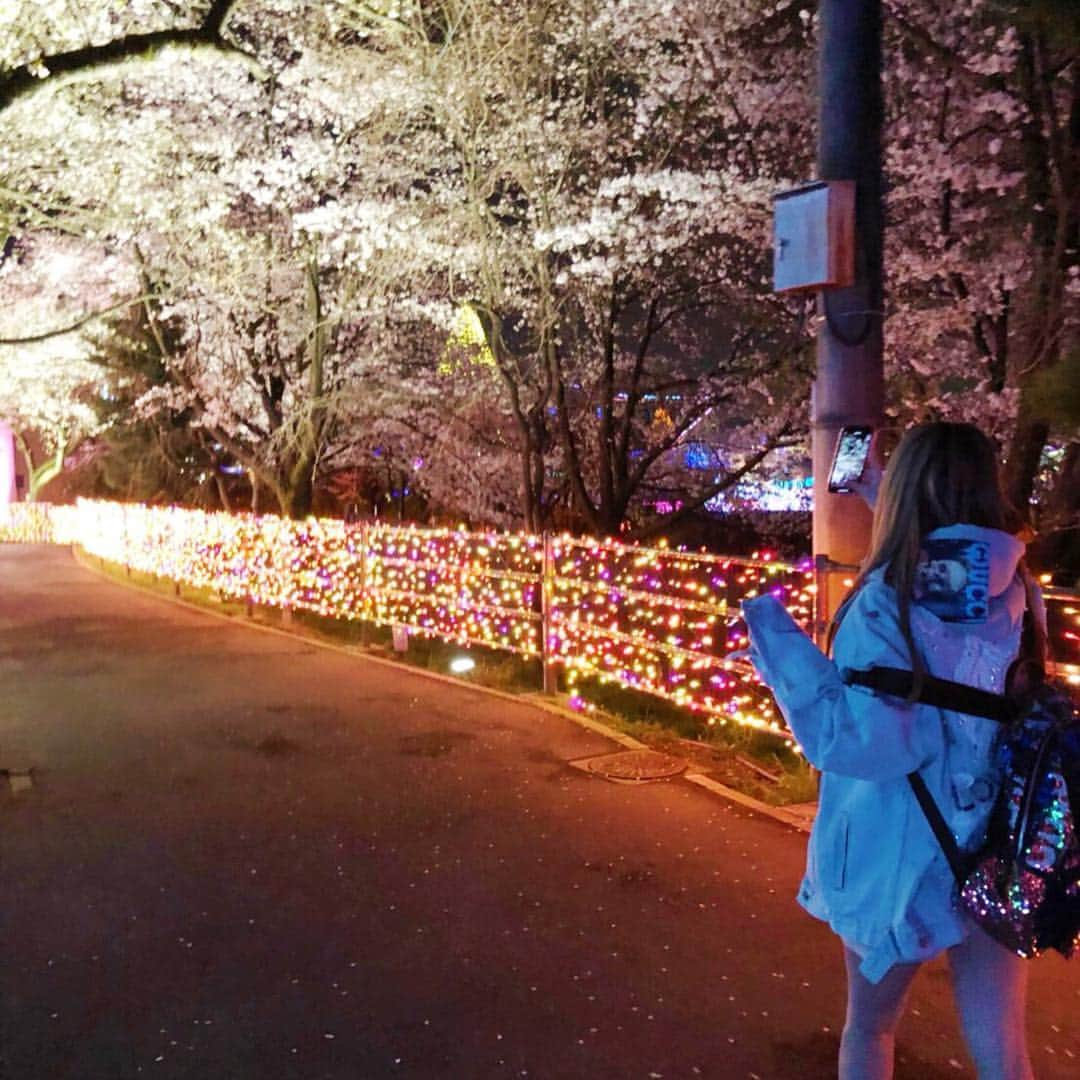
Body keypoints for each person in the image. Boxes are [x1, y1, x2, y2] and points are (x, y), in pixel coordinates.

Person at [738, 422, 1041, 1080]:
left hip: (902, 860)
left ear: (906, 493)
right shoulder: (1021, 593)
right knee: (1005, 1054)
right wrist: (883, 496)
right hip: (995, 852)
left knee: (872, 1029)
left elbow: (863, 744)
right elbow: (953, 590)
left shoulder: (883, 607)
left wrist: (774, 648)